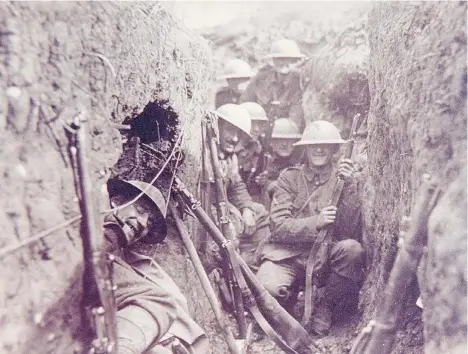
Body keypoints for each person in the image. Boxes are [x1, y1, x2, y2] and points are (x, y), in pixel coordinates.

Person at [255, 120, 366, 337]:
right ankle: (287, 304)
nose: (319, 149)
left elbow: (351, 231)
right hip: (287, 256)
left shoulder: (341, 180)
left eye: (326, 145)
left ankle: (324, 306)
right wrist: (316, 222)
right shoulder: (289, 178)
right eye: (314, 145)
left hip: (324, 257)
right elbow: (278, 226)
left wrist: (349, 185)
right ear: (305, 148)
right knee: (267, 289)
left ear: (335, 149)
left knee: (352, 250)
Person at [103, 178, 209, 354]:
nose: (144, 223)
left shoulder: (134, 263)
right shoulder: (89, 225)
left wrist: (168, 340)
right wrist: (114, 233)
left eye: (150, 223)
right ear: (117, 202)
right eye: (141, 210)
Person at [204, 103, 270, 272]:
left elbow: (237, 185)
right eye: (229, 130)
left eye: (238, 134)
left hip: (225, 208)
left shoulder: (229, 156)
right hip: (208, 215)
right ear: (216, 127)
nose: (234, 138)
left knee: (260, 212)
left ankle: (251, 264)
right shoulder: (203, 154)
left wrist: (247, 209)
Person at [240, 39, 306, 130]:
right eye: (279, 59)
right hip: (259, 130)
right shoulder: (260, 79)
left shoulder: (300, 84)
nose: (283, 63)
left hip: (286, 134)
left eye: (289, 59)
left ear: (295, 61)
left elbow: (295, 120)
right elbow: (245, 105)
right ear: (273, 60)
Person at [253, 118, 302, 208]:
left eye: (290, 140)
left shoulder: (301, 163)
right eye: (280, 139)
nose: (284, 144)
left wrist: (270, 183)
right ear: (271, 141)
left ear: (296, 142)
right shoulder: (264, 161)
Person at [236, 102, 270, 203]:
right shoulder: (230, 148)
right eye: (252, 123)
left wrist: (263, 181)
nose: (256, 129)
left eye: (260, 124)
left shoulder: (259, 148)